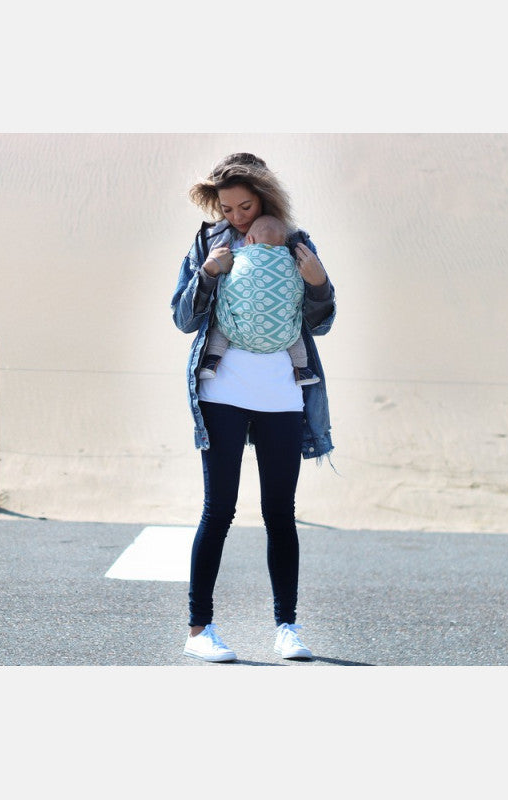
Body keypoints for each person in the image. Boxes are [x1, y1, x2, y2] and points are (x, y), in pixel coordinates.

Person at [170, 152, 336, 663]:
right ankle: (199, 630)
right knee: (218, 510)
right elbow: (183, 318)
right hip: (221, 389)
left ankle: (287, 627)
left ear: (265, 198)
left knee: (280, 513)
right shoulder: (209, 242)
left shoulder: (294, 241)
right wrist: (208, 273)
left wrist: (318, 283)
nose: (238, 217)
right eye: (228, 208)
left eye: (246, 206)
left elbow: (322, 321)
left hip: (283, 394)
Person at [199, 213, 320, 386]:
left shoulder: (238, 256)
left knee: (219, 327)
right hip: (282, 338)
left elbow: (227, 281)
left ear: (249, 239)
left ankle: (211, 361)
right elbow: (298, 293)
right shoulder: (292, 261)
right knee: (296, 333)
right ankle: (303, 370)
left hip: (239, 334)